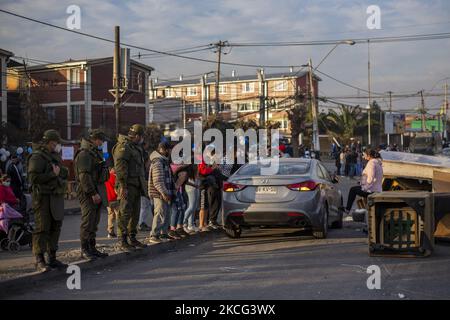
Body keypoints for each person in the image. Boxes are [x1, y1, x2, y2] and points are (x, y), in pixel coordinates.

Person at [28, 130, 69, 272]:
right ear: (49, 142)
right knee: (42, 227)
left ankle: (52, 257)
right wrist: (53, 174)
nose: (57, 145)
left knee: (55, 226)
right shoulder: (37, 157)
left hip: (56, 196)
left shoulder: (54, 155)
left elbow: (61, 172)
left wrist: (62, 173)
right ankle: (39, 259)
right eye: (55, 143)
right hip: (43, 197)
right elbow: (33, 178)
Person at [74, 129, 109, 260]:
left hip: (96, 189)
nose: (102, 143)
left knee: (94, 221)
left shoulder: (94, 153)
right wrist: (93, 193)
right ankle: (85, 249)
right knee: (88, 221)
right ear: (95, 139)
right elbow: (84, 176)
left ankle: (92, 248)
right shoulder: (84, 154)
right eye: (101, 140)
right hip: (87, 191)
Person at [112, 124, 148, 252]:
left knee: (135, 213)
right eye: (142, 136)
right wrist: (123, 185)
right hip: (127, 185)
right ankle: (122, 240)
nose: (142, 139)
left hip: (136, 185)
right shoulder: (124, 146)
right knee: (125, 212)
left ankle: (132, 237)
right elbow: (121, 168)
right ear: (137, 136)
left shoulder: (135, 147)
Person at [148, 141, 175, 243]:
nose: (170, 152)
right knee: (159, 213)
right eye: (169, 150)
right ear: (164, 150)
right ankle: (154, 235)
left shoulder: (164, 161)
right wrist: (164, 193)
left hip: (165, 192)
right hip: (159, 193)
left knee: (166, 213)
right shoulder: (158, 162)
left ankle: (163, 233)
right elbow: (158, 180)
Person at [345, 148, 383, 213]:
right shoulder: (377, 162)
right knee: (355, 189)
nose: (364, 157)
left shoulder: (371, 163)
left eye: (365, 155)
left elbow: (370, 178)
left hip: (372, 190)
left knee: (353, 190)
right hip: (377, 189)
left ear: (369, 156)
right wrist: (361, 183)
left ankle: (347, 209)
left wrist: (364, 187)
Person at [105, 165, 119, 238]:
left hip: (108, 200)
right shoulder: (115, 177)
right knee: (118, 215)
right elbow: (117, 188)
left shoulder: (105, 178)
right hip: (115, 199)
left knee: (110, 216)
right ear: (112, 170)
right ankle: (120, 231)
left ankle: (110, 232)